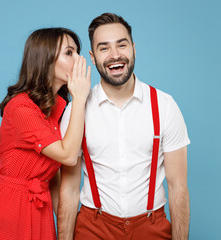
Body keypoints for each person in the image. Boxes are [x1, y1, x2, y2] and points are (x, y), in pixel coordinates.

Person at [58, 13, 190, 240]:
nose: (115, 55)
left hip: (151, 227)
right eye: (104, 48)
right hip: (93, 227)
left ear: (134, 49)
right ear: (92, 56)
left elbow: (178, 187)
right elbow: (69, 191)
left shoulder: (165, 106)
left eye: (121, 45)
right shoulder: (76, 111)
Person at [0, 28, 91, 240]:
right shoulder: (20, 108)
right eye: (69, 53)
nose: (79, 59)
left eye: (77, 52)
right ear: (46, 59)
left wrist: (68, 230)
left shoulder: (58, 109)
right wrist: (79, 97)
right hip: (9, 211)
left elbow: (53, 177)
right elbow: (69, 155)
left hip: (39, 211)